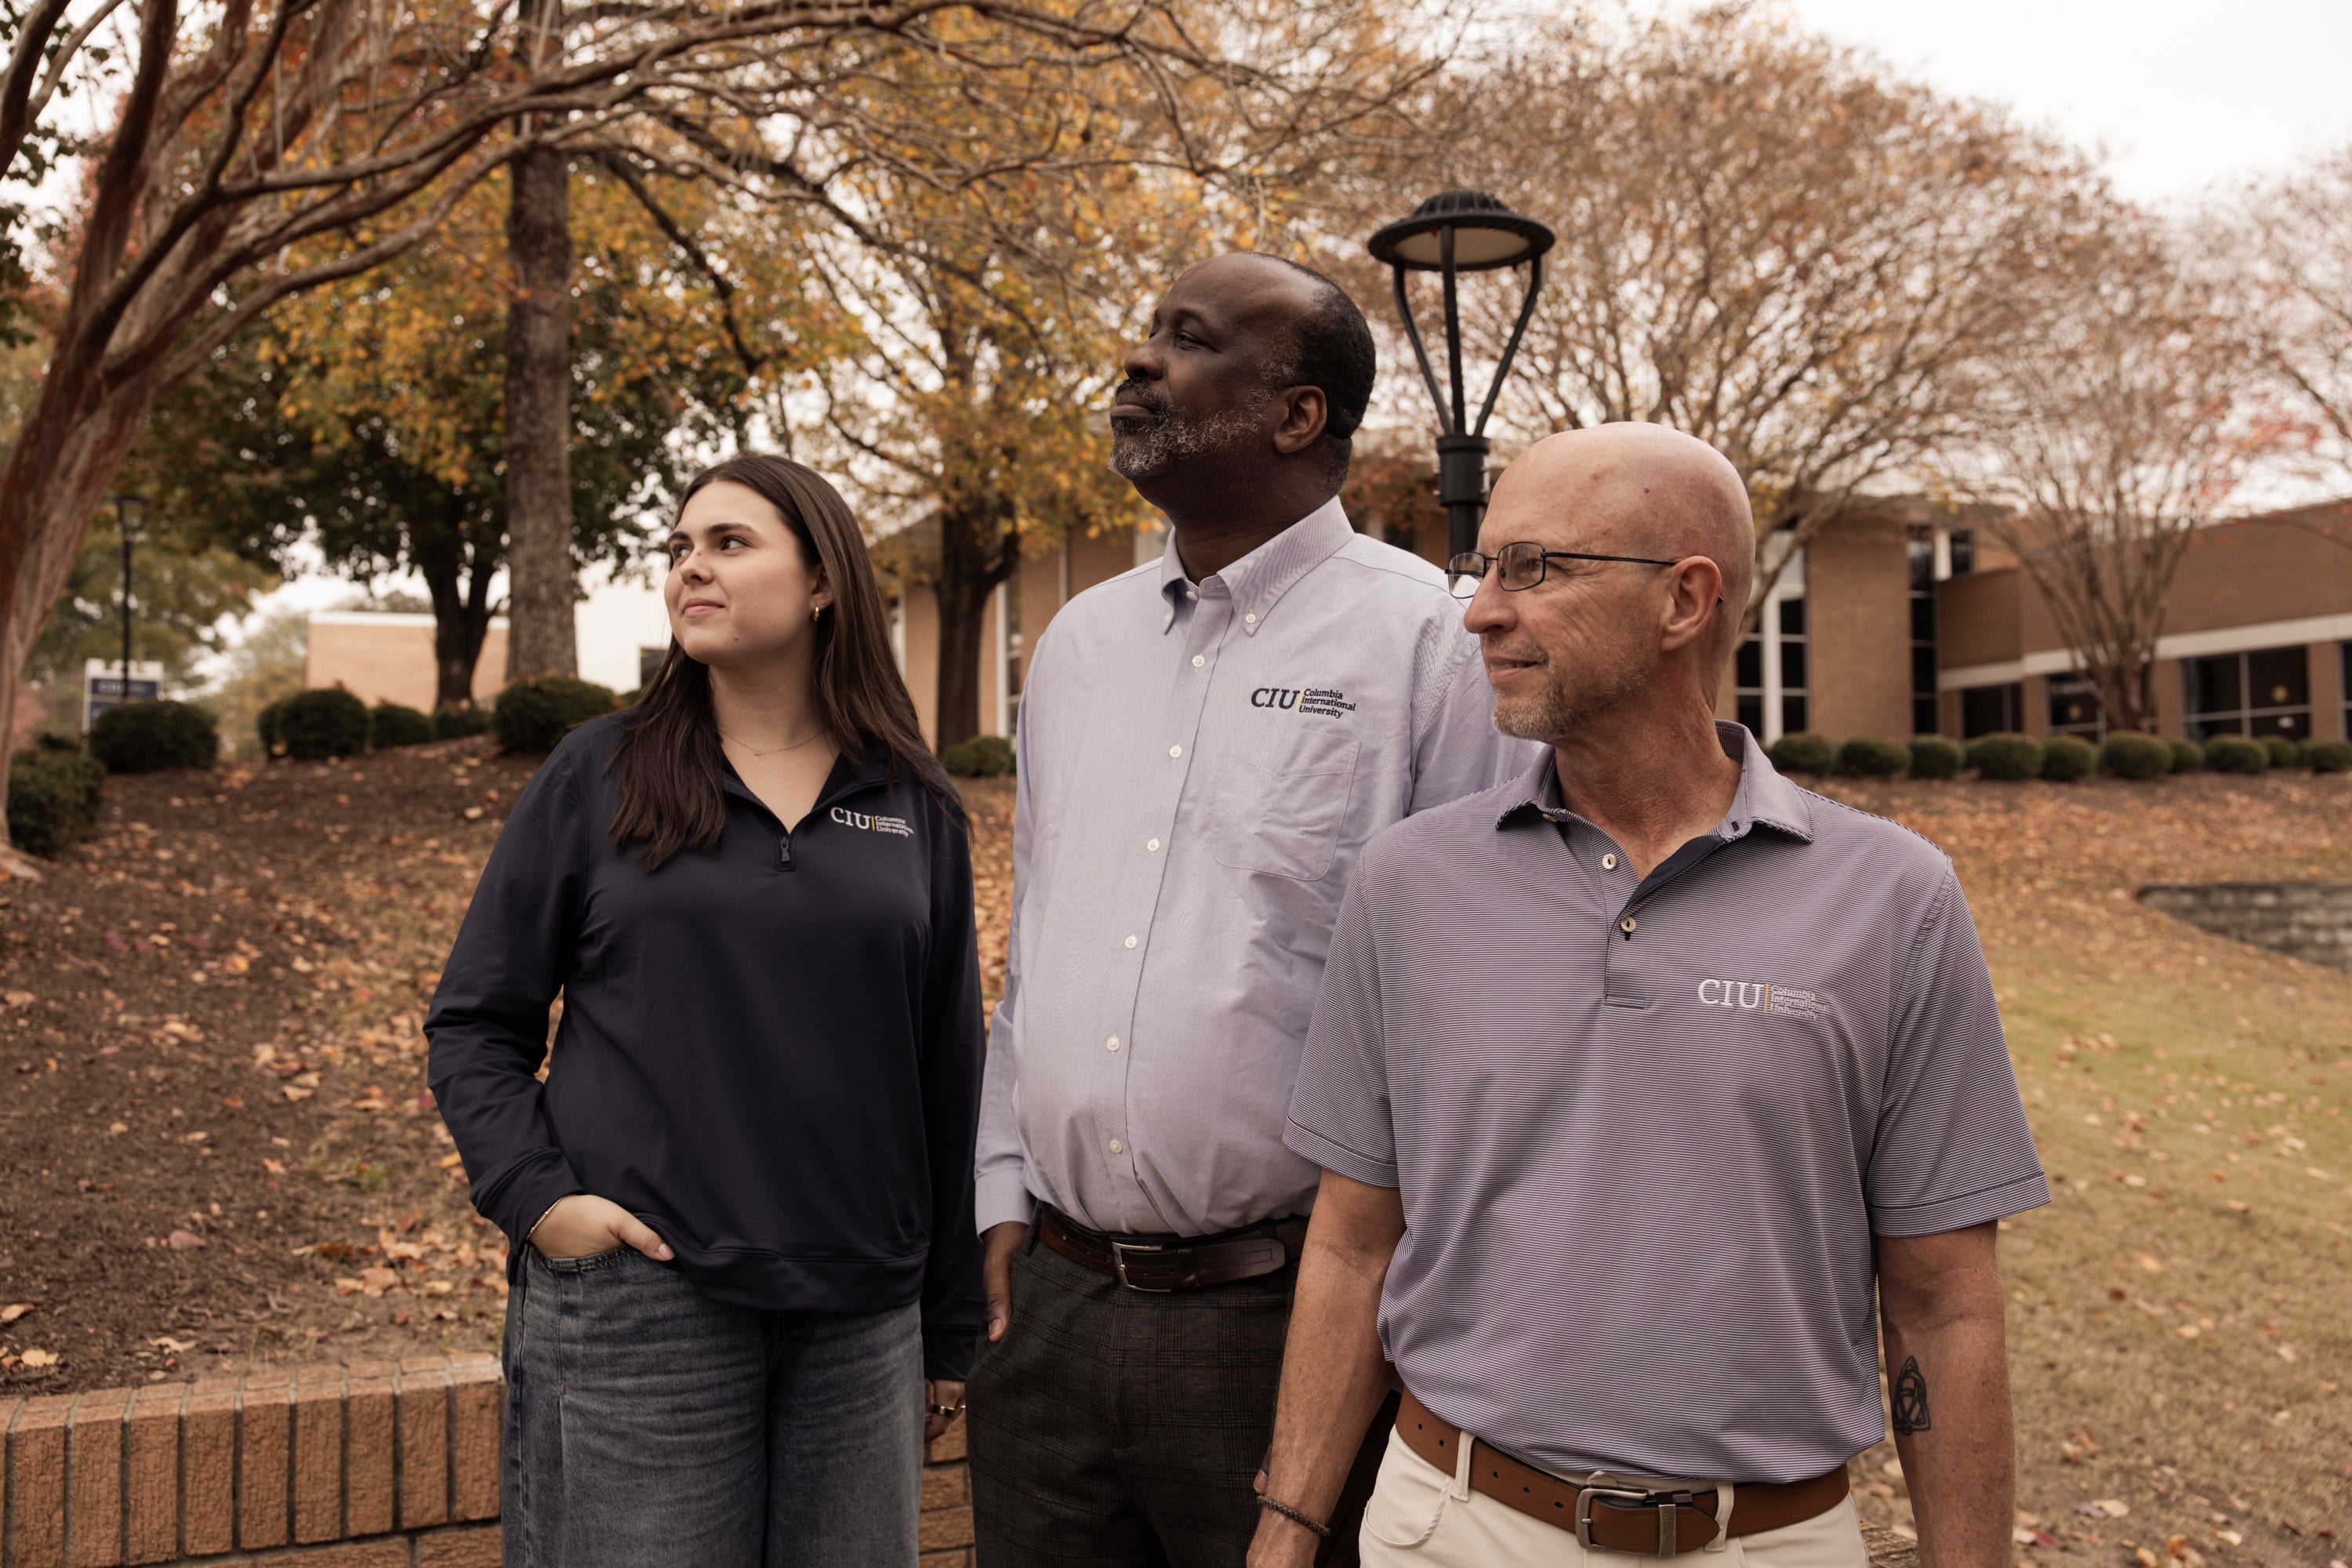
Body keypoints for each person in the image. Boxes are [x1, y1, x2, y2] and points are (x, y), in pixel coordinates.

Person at [1250, 423, 2049, 1568]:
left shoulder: (1893, 899)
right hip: (1452, 1529)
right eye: (1481, 568)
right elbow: (1351, 1246)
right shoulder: (1408, 884)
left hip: (1768, 1543)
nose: (1478, 610)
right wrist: (1286, 1532)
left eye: (1534, 567)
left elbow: (1944, 1304)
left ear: (1685, 600)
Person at [966, 252, 1537, 1566]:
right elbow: (1037, 947)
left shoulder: (1431, 646)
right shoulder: (1074, 649)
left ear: (1297, 415)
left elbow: (1479, 1007)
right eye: (1147, 330)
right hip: (1046, 1314)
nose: (1138, 358)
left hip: (1286, 1323)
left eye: (1187, 338)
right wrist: (1002, 1187)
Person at [426, 454, 984, 1568]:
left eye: (730, 544)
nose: (692, 569)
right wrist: (542, 1202)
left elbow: (948, 1069)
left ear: (823, 581)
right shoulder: (602, 774)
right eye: (680, 549)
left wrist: (946, 1326)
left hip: (861, 1321)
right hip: (642, 1308)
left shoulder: (914, 804)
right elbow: (475, 1024)